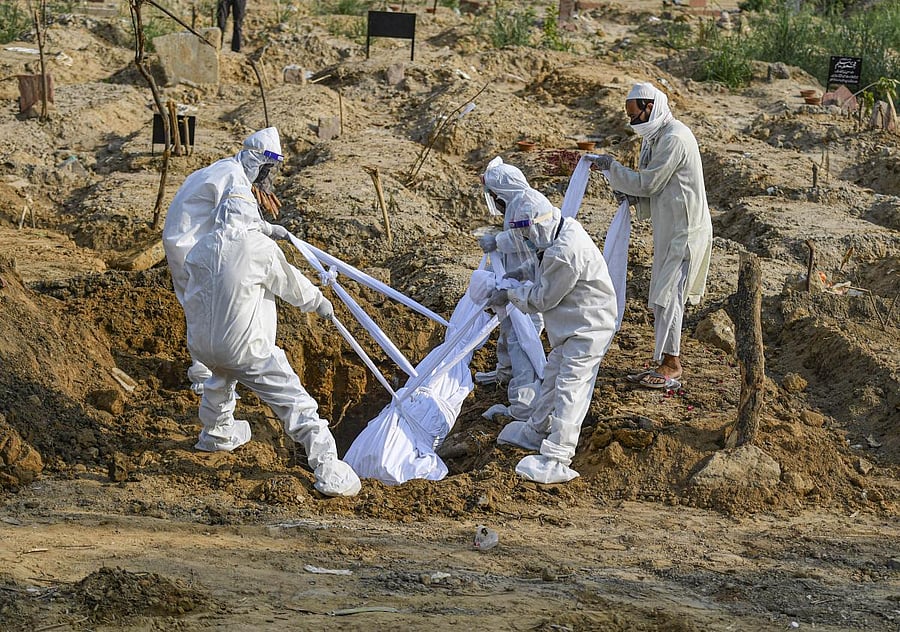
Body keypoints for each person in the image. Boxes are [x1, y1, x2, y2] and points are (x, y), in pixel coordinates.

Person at [181, 182, 361, 497]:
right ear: (251, 212)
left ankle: (216, 435)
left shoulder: (201, 248)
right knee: (297, 405)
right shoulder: (258, 248)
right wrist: (319, 302)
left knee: (218, 386)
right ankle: (329, 469)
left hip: (204, 346)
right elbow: (290, 283)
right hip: (246, 348)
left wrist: (264, 228)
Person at [486, 188, 618, 484]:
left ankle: (559, 455)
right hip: (571, 325)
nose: (529, 242)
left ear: (538, 226)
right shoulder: (560, 232)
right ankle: (535, 431)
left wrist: (509, 293)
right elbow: (536, 266)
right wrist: (516, 278)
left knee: (571, 386)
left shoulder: (565, 252)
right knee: (552, 377)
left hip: (588, 328)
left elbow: (543, 298)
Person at [588, 82, 712, 390]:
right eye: (629, 117)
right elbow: (650, 187)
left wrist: (612, 170)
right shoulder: (654, 139)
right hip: (669, 229)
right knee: (661, 296)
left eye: (636, 116)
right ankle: (664, 359)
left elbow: (649, 183)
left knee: (669, 296)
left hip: (686, 231)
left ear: (650, 107)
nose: (633, 123)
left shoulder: (674, 138)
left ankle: (672, 364)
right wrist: (625, 192)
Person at [163, 127, 287, 394]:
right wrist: (267, 230)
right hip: (194, 248)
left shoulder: (224, 169)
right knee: (213, 311)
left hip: (185, 244)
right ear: (257, 160)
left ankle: (210, 378)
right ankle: (209, 381)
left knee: (202, 311)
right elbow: (238, 226)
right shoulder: (233, 178)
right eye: (265, 167)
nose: (265, 175)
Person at [476, 157, 544, 425]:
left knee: (522, 340)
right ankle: (504, 374)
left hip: (530, 287)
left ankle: (523, 403)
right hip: (519, 278)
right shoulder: (518, 202)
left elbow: (524, 238)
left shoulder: (528, 205)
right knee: (508, 331)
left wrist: (497, 241)